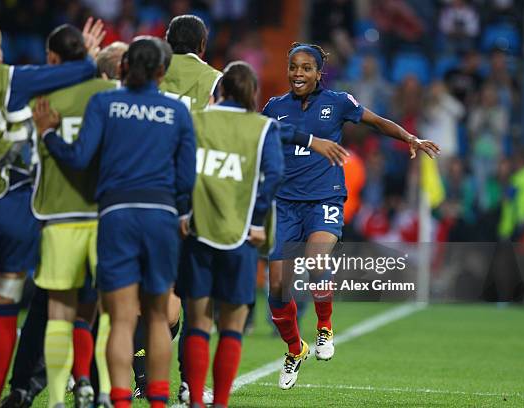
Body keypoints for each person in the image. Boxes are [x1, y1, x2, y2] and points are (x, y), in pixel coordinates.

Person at [0, 15, 104, 406]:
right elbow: (78, 69)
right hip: (13, 209)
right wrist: (86, 52)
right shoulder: (9, 78)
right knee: (4, 310)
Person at [262, 42, 440, 390]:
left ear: (318, 72)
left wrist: (409, 138)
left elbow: (375, 121)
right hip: (285, 203)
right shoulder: (274, 107)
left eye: (306, 68)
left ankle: (325, 330)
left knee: (316, 259)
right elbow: (260, 134)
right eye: (293, 67)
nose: (298, 74)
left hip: (325, 198)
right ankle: (295, 349)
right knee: (278, 285)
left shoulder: (338, 102)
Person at [33, 37, 196, 408]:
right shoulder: (177, 112)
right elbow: (187, 180)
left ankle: (120, 400)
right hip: (160, 217)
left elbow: (79, 158)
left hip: (117, 215)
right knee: (157, 317)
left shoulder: (104, 103)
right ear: (162, 72)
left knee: (121, 320)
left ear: (122, 68)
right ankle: (157, 400)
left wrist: (48, 134)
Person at [178, 61, 283, 408]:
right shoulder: (263, 127)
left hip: (198, 232)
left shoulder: (197, 120)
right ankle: (220, 402)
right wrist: (257, 221)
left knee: (197, 323)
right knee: (232, 326)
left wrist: (183, 210)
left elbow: (180, 169)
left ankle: (195, 398)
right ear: (252, 93)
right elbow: (273, 175)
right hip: (241, 238)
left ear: (219, 90)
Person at [27, 24, 119, 408]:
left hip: (58, 213)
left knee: (59, 312)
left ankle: (57, 400)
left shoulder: (41, 98)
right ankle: (96, 388)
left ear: (51, 58)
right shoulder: (113, 95)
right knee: (100, 309)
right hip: (104, 213)